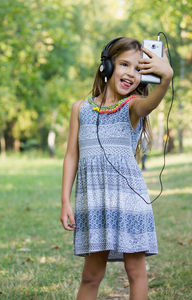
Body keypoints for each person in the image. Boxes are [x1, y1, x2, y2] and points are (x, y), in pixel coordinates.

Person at [60, 37, 173, 300]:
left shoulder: (133, 107)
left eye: (139, 69)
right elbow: (71, 157)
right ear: (107, 66)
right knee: (91, 276)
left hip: (129, 202)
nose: (130, 74)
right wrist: (65, 200)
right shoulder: (80, 109)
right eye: (124, 65)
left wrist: (165, 78)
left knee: (136, 272)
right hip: (94, 205)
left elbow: (151, 103)